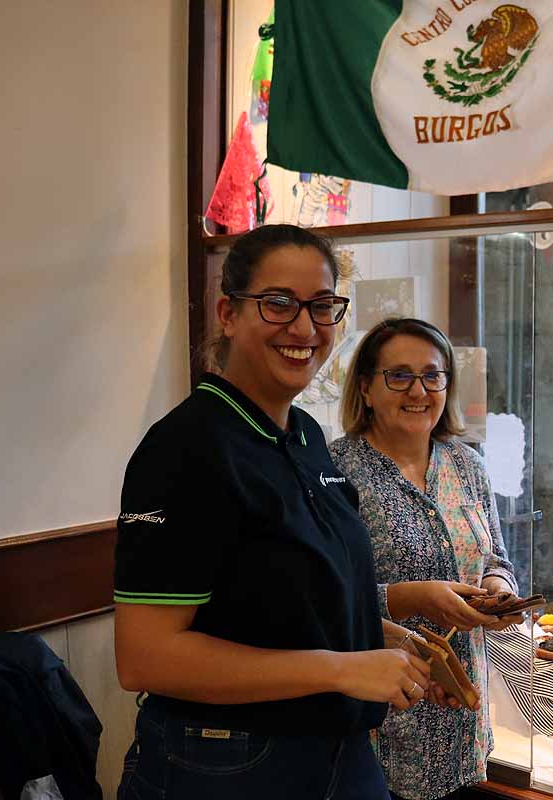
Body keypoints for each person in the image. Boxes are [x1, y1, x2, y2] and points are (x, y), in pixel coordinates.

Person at [113, 225, 445, 799]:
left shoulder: (307, 436)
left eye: (322, 306)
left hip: (339, 754)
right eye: (278, 304)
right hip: (228, 762)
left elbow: (279, 599)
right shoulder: (186, 448)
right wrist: (339, 669)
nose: (304, 327)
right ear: (228, 313)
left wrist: (368, 636)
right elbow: (145, 658)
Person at [329, 317, 521, 800]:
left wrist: (499, 591)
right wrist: (412, 598)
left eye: (432, 376)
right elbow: (321, 597)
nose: (418, 390)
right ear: (367, 388)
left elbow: (496, 557)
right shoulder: (336, 471)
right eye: (399, 376)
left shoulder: (466, 465)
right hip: (379, 722)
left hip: (462, 718)